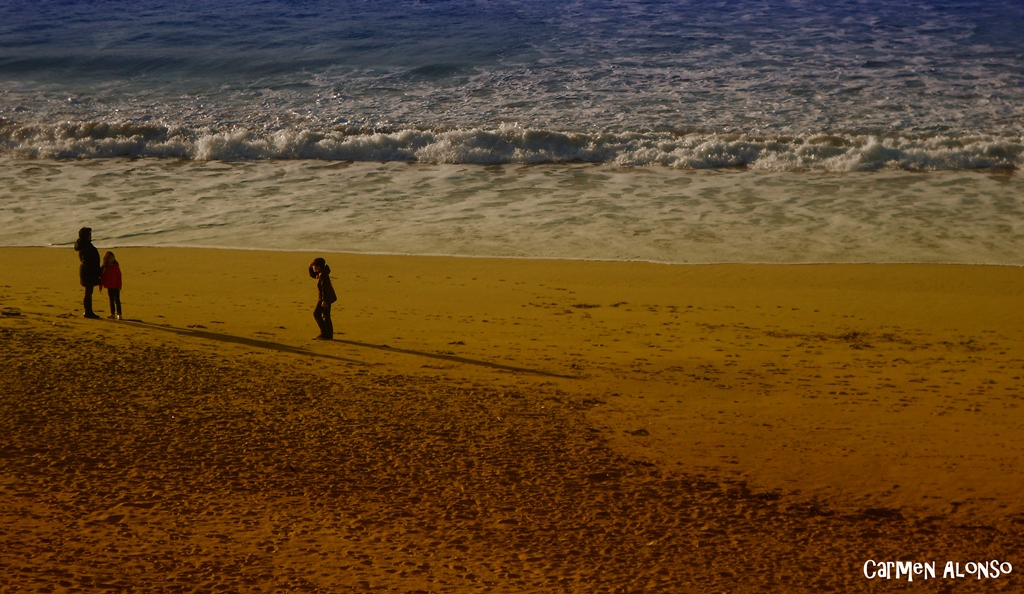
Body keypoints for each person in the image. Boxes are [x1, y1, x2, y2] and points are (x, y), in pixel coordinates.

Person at [74, 227, 102, 319]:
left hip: (88, 271)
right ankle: (88, 312)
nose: (91, 236)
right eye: (89, 234)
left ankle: (88, 311)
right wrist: (96, 271)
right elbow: (88, 262)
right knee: (88, 292)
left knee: (89, 292)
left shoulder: (84, 245)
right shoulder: (85, 246)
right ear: (86, 236)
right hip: (88, 272)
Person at [309, 257, 337, 340]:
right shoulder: (322, 272)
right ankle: (329, 335)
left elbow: (325, 288)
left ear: (319, 266)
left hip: (324, 299)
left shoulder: (323, 275)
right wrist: (310, 267)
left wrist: (324, 301)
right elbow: (313, 275)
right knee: (326, 315)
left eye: (314, 266)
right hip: (327, 298)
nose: (313, 267)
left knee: (316, 314)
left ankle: (324, 333)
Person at [99, 251, 123, 320]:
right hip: (109, 286)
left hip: (116, 286)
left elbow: (119, 276)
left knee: (117, 300)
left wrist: (119, 286)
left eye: (112, 258)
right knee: (111, 300)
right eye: (110, 258)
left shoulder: (115, 266)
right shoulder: (105, 267)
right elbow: (103, 276)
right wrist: (101, 285)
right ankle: (112, 313)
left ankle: (119, 314)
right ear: (107, 259)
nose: (111, 259)